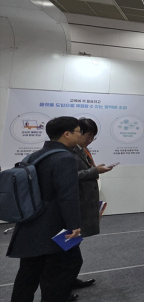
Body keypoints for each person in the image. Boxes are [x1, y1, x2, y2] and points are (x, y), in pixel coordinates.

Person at [8, 116, 83, 302]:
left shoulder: (35, 155)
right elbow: (67, 195)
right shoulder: (65, 157)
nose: (80, 135)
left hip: (30, 222)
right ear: (67, 134)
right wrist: (74, 225)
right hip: (53, 226)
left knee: (28, 273)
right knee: (63, 269)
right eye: (78, 131)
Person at [71, 118, 113, 291]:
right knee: (68, 248)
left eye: (92, 137)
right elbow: (70, 176)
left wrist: (95, 170)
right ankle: (63, 285)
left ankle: (70, 279)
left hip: (84, 202)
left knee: (73, 246)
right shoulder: (68, 151)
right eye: (87, 136)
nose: (89, 140)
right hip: (75, 203)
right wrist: (95, 171)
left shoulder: (82, 150)